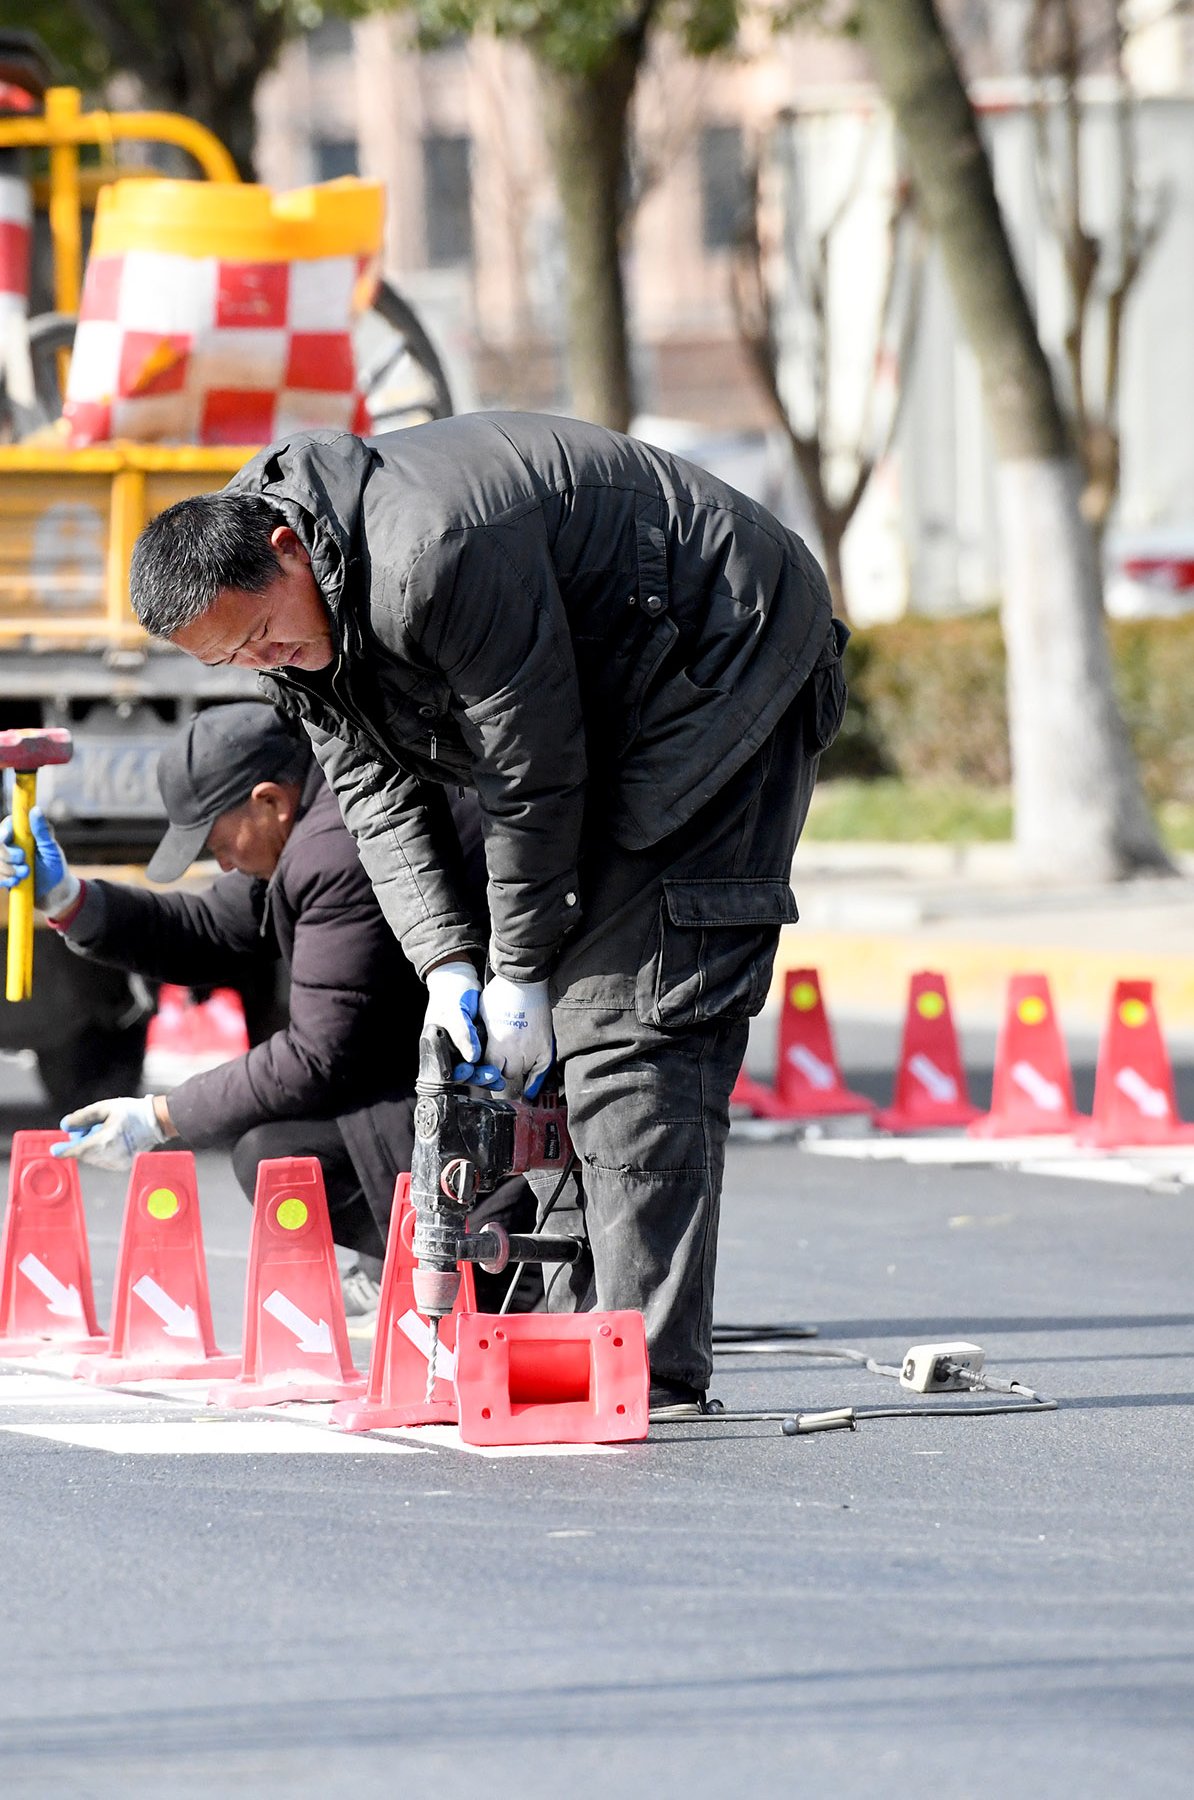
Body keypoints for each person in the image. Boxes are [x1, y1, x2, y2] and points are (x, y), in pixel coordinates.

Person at [126, 412, 844, 1416]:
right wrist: (449, 965)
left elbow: (529, 774)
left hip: (722, 654)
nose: (269, 660)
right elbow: (374, 793)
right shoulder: (290, 605)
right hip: (612, 702)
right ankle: (576, 1317)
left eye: (263, 633)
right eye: (233, 660)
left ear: (286, 549)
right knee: (561, 1025)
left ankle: (645, 1363)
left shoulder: (429, 553)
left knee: (629, 1015)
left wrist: (518, 963)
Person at [0, 702, 471, 1297]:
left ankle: (477, 1258)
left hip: (491, 1080)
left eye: (219, 843)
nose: (220, 863)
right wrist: (68, 898)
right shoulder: (307, 818)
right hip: (436, 1061)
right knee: (277, 1141)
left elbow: (316, 1059)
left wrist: (159, 1117)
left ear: (269, 802)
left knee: (279, 1156)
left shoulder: (335, 849)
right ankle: (426, 1256)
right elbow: (207, 928)